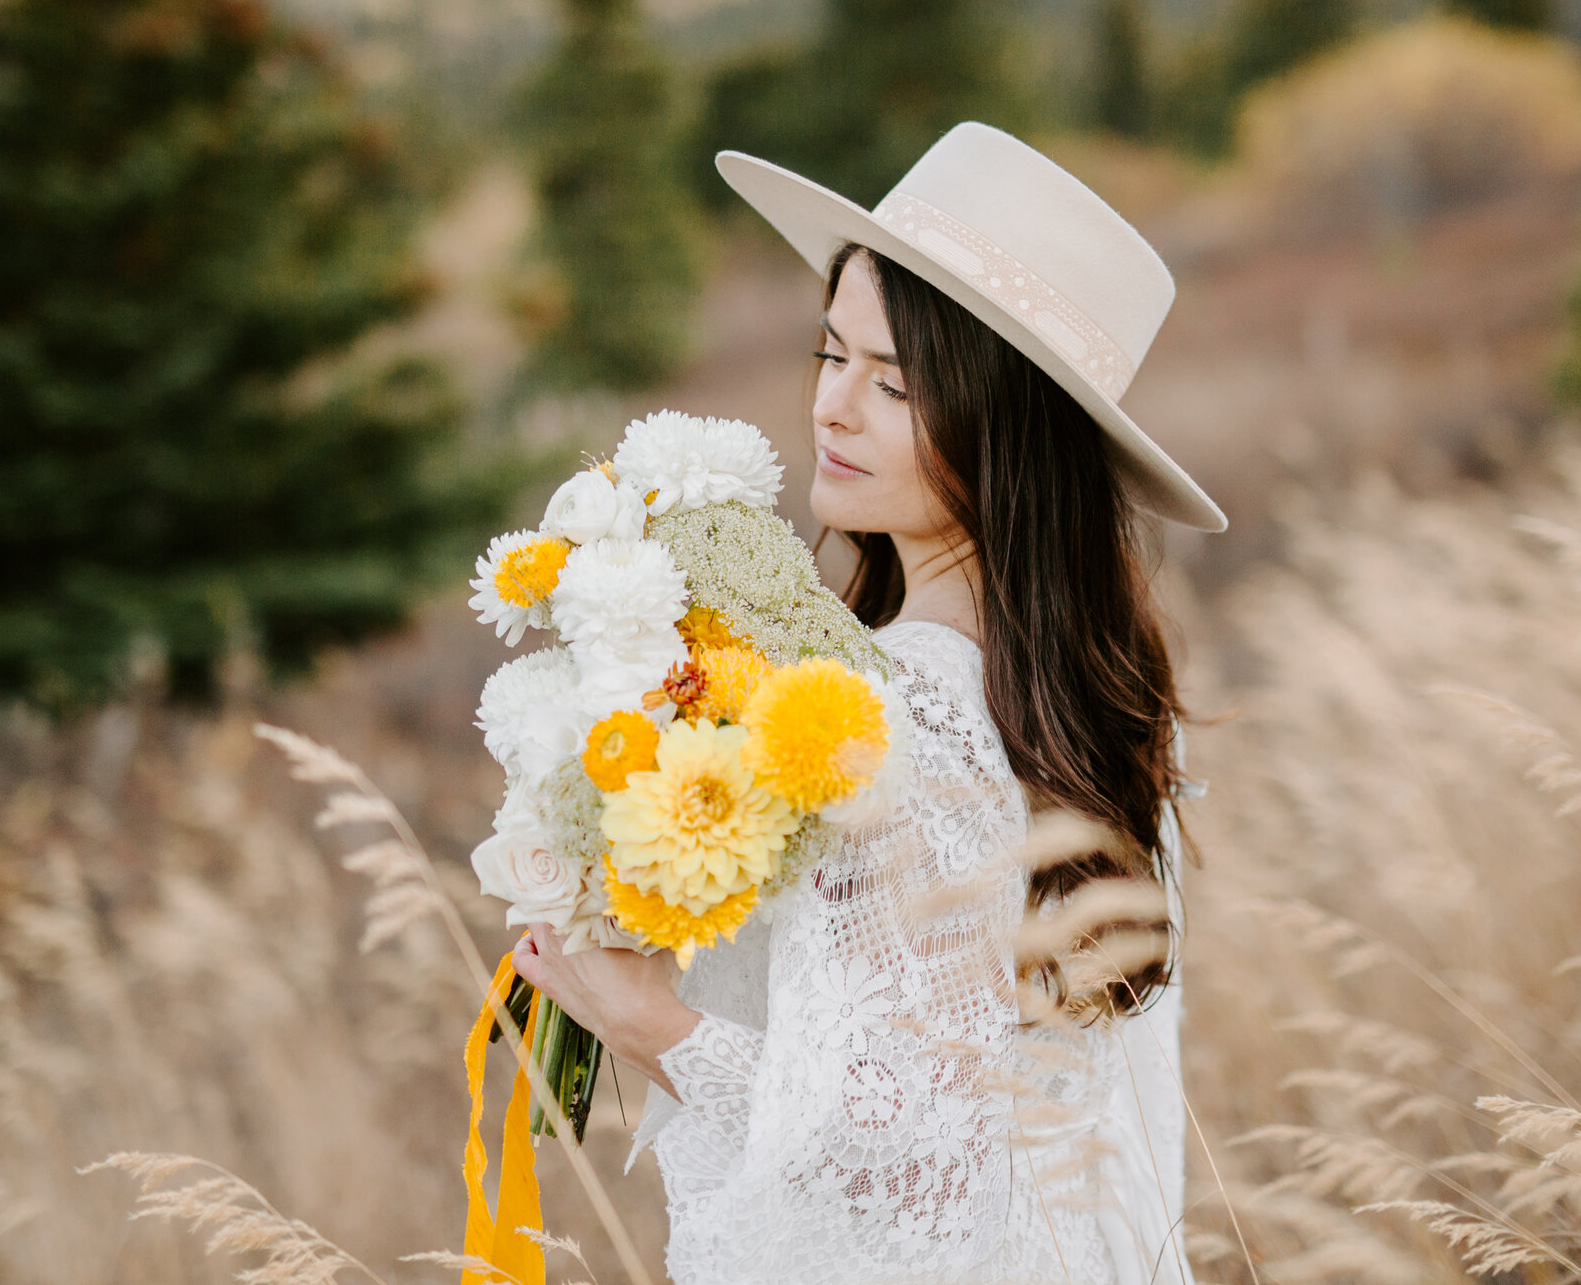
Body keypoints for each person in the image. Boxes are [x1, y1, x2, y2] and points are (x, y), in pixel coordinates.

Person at [511, 122, 1226, 1285]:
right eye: (829, 353)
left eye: (892, 382)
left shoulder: (889, 719)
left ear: (1010, 433)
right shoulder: (1093, 704)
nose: (834, 408)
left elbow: (903, 1156)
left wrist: (651, 1022)